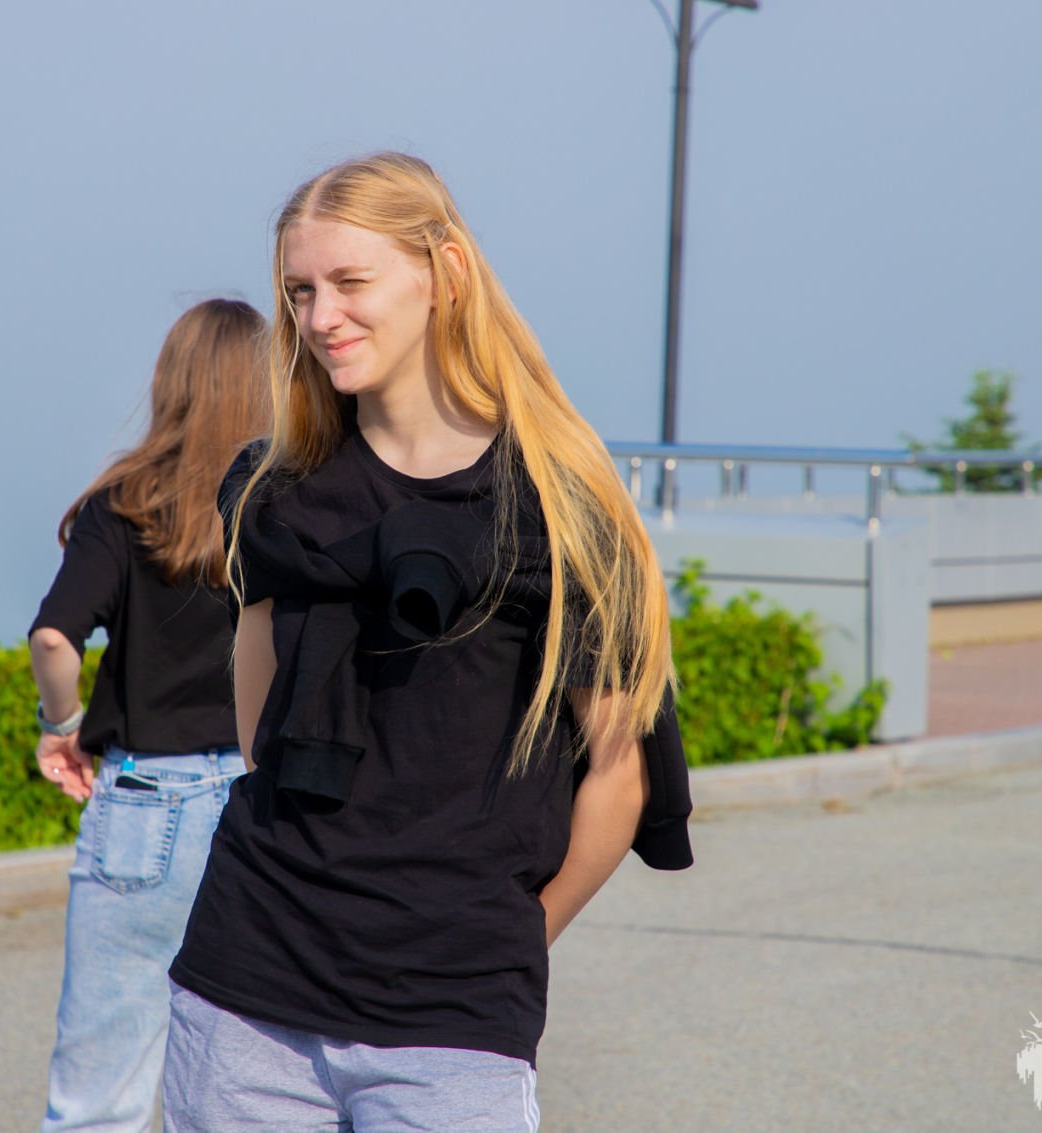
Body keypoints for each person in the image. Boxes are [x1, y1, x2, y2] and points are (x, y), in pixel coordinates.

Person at [163, 153, 694, 1132]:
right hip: (245, 993)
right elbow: (258, 729)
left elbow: (618, 776)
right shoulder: (274, 488)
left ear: (443, 272)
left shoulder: (560, 503)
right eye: (300, 291)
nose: (320, 316)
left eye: (349, 282)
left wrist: (505, 941)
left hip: (453, 1024)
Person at [28, 298, 268, 1133]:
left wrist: (60, 723)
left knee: (101, 1094)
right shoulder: (287, 504)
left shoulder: (123, 504)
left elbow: (55, 638)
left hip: (143, 808)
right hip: (260, 808)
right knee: (245, 1092)